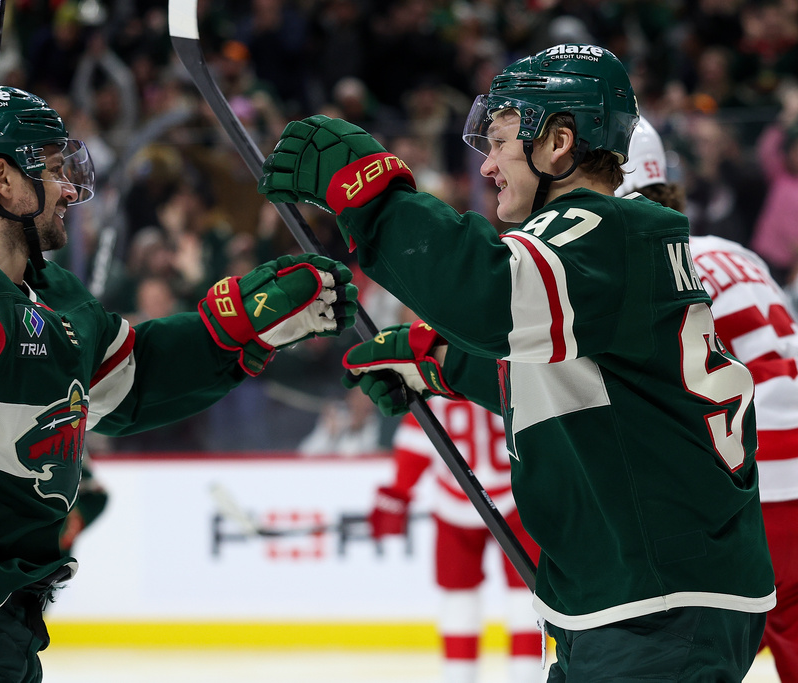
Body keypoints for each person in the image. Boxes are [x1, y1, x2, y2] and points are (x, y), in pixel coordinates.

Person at [0, 84, 359, 683]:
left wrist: (237, 330)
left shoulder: (58, 298)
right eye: (51, 168)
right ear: (3, 179)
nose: (70, 187)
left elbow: (134, 384)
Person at [258, 44, 776, 680]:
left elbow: (487, 296)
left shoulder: (600, 230)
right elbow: (588, 382)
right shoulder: (612, 247)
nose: (488, 163)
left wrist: (373, 196)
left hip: (655, 606)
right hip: (647, 596)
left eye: (501, 139)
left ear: (559, 143)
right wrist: (441, 365)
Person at [620, 115, 798, 683]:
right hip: (788, 463)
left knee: (686, 655)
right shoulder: (732, 251)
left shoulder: (644, 268)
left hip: (756, 487)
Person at [368, 394, 540, 683]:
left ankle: (459, 675)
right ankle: (528, 675)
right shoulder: (507, 374)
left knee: (459, 596)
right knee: (526, 595)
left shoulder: (432, 382)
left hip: (455, 504)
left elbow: (415, 443)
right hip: (515, 501)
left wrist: (398, 493)